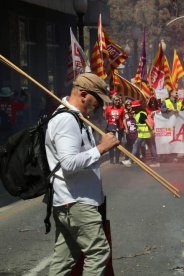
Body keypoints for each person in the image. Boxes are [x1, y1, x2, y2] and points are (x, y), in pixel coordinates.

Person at [45, 73, 120, 275]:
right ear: (84, 94)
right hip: (75, 201)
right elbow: (68, 163)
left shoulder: (76, 118)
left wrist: (100, 145)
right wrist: (101, 149)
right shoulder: (66, 120)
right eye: (97, 100)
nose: (98, 106)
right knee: (98, 252)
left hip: (72, 201)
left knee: (63, 262)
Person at [104, 94, 125, 164]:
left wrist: (125, 128)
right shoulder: (108, 108)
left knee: (118, 144)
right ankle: (111, 159)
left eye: (119, 100)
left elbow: (123, 119)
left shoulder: (121, 109)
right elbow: (106, 118)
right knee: (111, 144)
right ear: (113, 101)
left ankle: (117, 159)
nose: (118, 101)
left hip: (119, 129)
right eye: (116, 100)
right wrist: (105, 128)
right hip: (110, 128)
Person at [121, 100, 139, 167]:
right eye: (127, 104)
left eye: (130, 104)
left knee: (135, 144)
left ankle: (135, 158)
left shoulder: (134, 111)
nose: (129, 105)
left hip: (134, 129)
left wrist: (133, 114)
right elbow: (124, 120)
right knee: (128, 144)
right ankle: (128, 158)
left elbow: (136, 120)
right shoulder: (124, 111)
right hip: (128, 130)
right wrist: (126, 128)